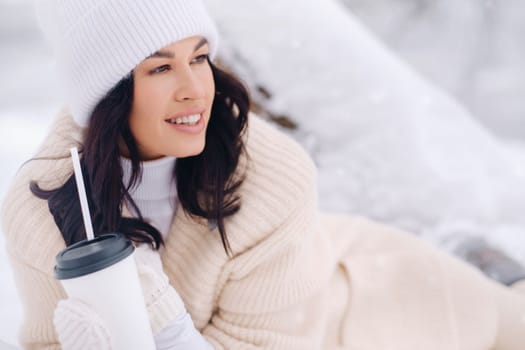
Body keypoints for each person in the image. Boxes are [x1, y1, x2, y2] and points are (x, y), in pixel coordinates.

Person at [2, 0, 525, 349]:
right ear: (108, 94)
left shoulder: (272, 179)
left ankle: (486, 260)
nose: (194, 88)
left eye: (200, 58)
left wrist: (156, 314)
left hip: (357, 310)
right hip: (310, 272)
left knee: (504, 322)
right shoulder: (41, 212)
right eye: (160, 68)